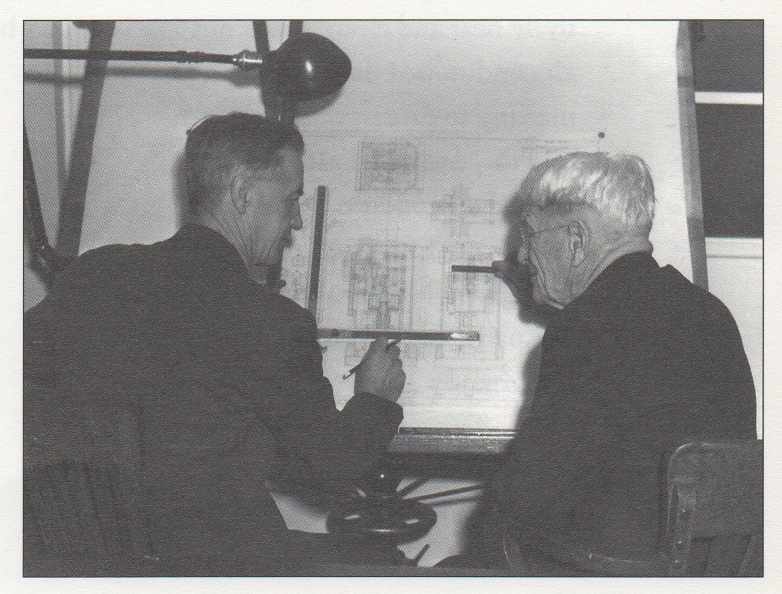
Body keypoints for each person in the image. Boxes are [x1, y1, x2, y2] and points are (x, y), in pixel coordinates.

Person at [23, 113, 407, 575]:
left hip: (83, 564)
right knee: (389, 565)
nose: (299, 220)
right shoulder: (270, 321)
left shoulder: (93, 274)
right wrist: (374, 398)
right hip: (219, 568)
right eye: (291, 200)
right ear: (244, 194)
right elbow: (334, 468)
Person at [470, 152, 757, 574]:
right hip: (709, 572)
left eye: (529, 235)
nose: (521, 255)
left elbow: (523, 497)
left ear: (577, 241)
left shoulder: (583, 329)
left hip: (609, 573)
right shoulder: (711, 312)